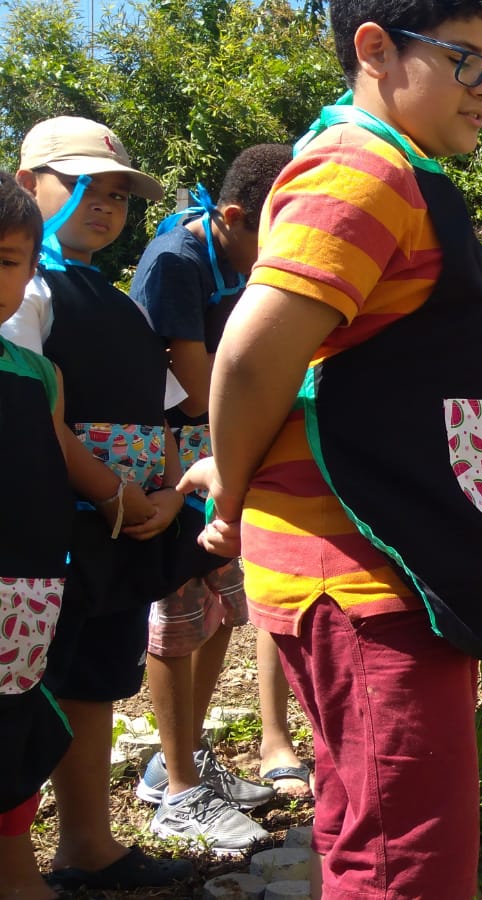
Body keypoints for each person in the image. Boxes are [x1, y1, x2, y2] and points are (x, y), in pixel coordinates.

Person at [181, 0, 482, 892]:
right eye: (467, 61)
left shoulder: (393, 176)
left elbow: (327, 372)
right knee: (405, 866)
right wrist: (234, 491)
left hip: (379, 575)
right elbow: (253, 360)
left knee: (365, 835)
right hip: (368, 580)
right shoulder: (359, 172)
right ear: (375, 48)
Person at [5, 117, 196, 891]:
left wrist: (164, 494)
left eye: (119, 194)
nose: (105, 206)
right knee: (35, 688)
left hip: (126, 524)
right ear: (27, 185)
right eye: (84, 185)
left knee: (98, 677)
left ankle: (88, 841)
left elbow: (170, 409)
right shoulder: (29, 291)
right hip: (53, 535)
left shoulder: (124, 304)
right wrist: (114, 491)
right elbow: (30, 412)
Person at [130, 144, 293, 850]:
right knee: (179, 615)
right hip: (171, 461)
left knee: (227, 605)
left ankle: (184, 756)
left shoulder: (230, 258)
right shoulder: (176, 262)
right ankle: (177, 794)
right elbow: (198, 388)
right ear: (232, 216)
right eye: (271, 231)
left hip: (220, 451)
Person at [0, 172, 79, 900]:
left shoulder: (38, 374)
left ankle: (19, 873)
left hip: (27, 592)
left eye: (6, 261)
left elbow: (57, 459)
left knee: (16, 727)